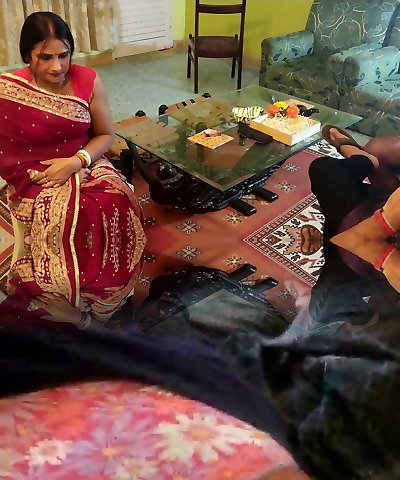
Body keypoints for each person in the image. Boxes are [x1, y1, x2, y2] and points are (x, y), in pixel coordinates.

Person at [0, 12, 146, 322]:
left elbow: (106, 135)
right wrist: (59, 173)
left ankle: (100, 294)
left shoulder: (89, 80)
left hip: (85, 158)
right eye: (45, 57)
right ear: (27, 56)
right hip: (36, 172)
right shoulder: (9, 91)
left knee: (114, 200)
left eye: (63, 55)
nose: (57, 66)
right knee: (62, 225)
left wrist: (76, 162)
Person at [306, 125, 400, 328]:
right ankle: (364, 160)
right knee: (325, 168)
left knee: (321, 310)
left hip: (366, 262)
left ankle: (363, 161)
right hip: (373, 211)